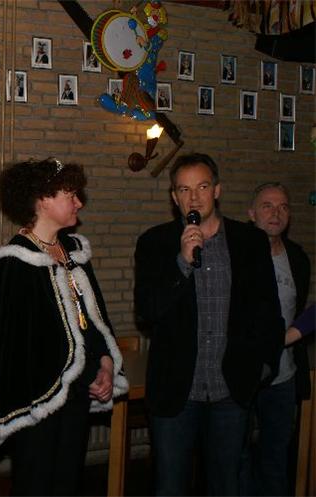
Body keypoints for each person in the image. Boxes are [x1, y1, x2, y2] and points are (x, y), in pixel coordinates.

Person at [134, 153, 284, 495]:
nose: (193, 197)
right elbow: (147, 311)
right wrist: (182, 263)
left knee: (226, 485)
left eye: (202, 187)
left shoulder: (250, 242)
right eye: (184, 189)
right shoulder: (155, 243)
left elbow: (268, 313)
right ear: (174, 197)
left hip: (231, 390)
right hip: (176, 393)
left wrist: (262, 368)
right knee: (170, 487)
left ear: (217, 190)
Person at [0, 159, 128, 495]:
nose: (79, 203)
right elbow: (13, 345)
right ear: (43, 199)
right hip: (39, 403)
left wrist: (105, 364)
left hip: (77, 397)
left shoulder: (75, 253)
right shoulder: (15, 262)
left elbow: (96, 321)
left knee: (68, 484)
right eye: (70, 195)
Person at [242, 183, 311, 496]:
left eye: (283, 206)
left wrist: (285, 339)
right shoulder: (236, 254)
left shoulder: (297, 257)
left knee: (275, 459)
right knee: (236, 459)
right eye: (267, 206)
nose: (276, 213)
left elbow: (300, 312)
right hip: (241, 377)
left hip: (283, 377)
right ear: (251, 213)